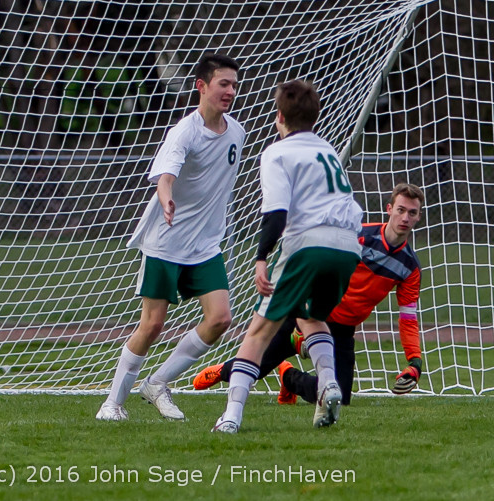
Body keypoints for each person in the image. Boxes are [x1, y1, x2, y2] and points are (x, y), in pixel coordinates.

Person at [96, 54, 246, 421]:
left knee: (220, 318)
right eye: (223, 84)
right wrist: (166, 200)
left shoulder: (238, 132)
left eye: (234, 85)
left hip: (205, 245)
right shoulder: (184, 132)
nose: (230, 91)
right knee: (152, 325)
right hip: (166, 241)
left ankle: (158, 383)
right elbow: (165, 177)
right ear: (201, 86)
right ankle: (111, 404)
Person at [212, 79, 363, 433]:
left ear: (279, 116)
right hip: (349, 246)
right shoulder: (327, 149)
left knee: (258, 331)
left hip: (309, 243)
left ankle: (231, 417)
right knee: (310, 316)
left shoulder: (277, 152)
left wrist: (261, 257)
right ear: (315, 117)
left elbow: (276, 213)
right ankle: (328, 382)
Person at [193, 183, 425, 406]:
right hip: (309, 313)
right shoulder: (358, 235)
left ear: (418, 217)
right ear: (389, 209)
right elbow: (317, 262)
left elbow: (408, 319)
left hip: (343, 329)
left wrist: (414, 362)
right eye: (400, 210)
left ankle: (288, 378)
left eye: (412, 213)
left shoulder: (410, 267)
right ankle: (222, 371)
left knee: (339, 396)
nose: (405, 218)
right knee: (255, 367)